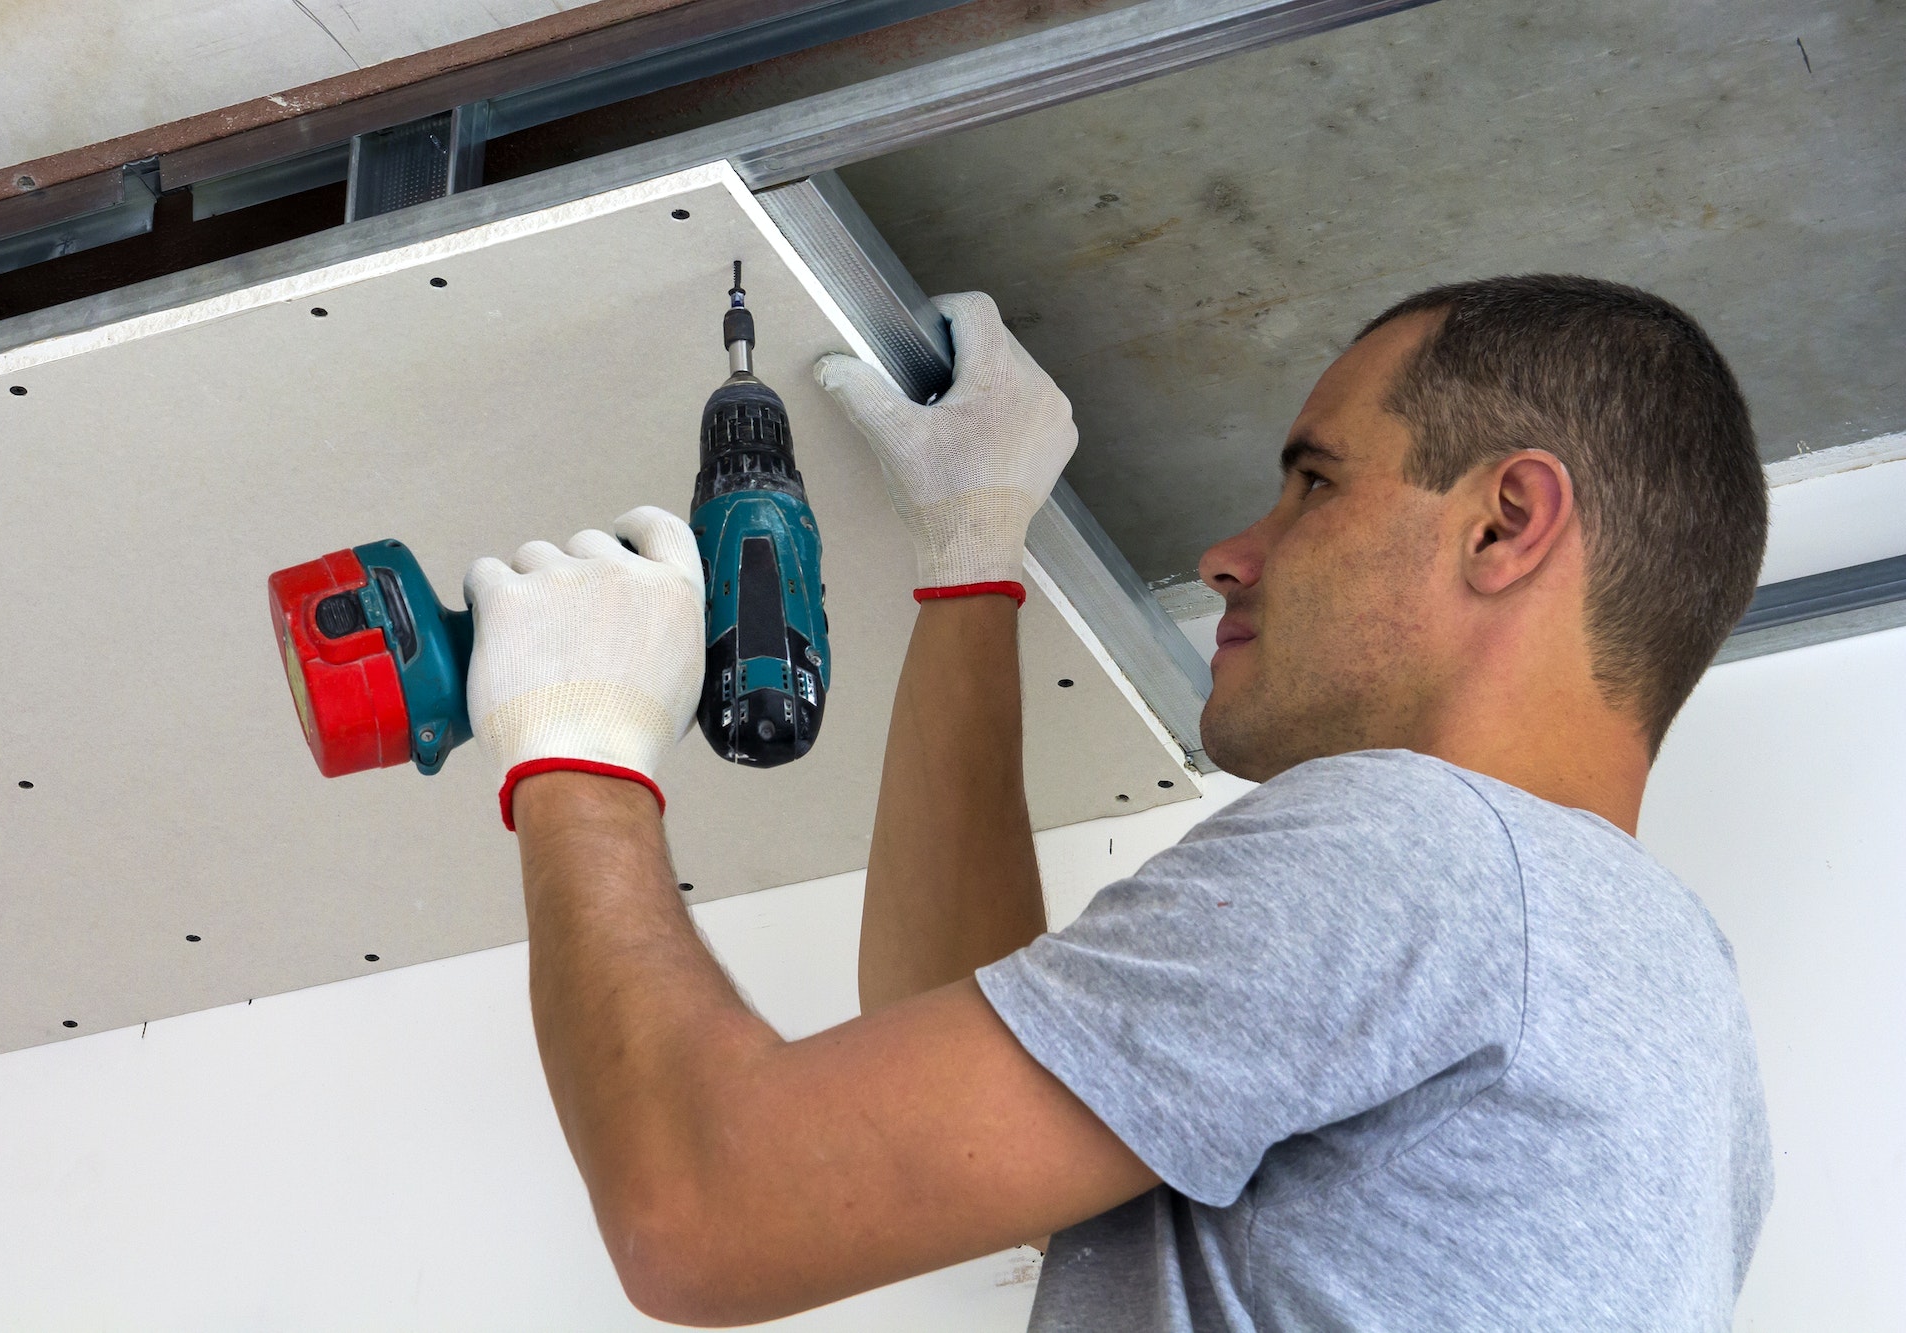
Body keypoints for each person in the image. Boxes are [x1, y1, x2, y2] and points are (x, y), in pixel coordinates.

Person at [460, 276, 1773, 1330]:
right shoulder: (1667, 1011)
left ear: (1505, 523)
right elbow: (963, 1093)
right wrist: (970, 558)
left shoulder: (1422, 852)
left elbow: (704, 1210)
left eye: (1316, 483)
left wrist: (578, 748)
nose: (1229, 554)